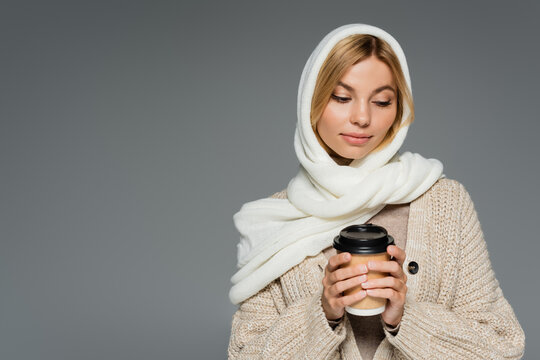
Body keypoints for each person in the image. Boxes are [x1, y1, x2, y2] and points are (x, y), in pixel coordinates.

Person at [227, 24, 525, 359]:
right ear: (311, 101)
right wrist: (322, 313)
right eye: (341, 97)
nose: (362, 117)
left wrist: (406, 318)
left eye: (382, 101)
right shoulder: (271, 221)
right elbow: (244, 354)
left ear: (399, 111)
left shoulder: (446, 203)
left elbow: (502, 346)